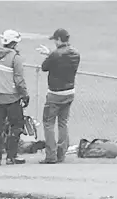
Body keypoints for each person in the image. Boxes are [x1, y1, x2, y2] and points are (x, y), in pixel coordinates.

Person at [36, 28, 80, 164]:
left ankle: (51, 155)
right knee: (63, 123)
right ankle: (61, 154)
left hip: (55, 93)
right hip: (69, 91)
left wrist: (49, 54)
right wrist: (50, 53)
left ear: (59, 40)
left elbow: (45, 67)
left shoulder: (55, 55)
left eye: (55, 40)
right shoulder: (76, 54)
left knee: (48, 123)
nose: (54, 42)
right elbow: (61, 61)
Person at [0, 29, 30, 166]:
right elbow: (19, 80)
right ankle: (10, 157)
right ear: (14, 43)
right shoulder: (15, 58)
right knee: (16, 126)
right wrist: (25, 95)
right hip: (12, 98)